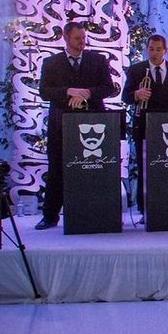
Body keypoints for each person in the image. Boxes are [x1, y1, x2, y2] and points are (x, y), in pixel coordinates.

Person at [35, 21, 118, 229]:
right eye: (77, 39)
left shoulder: (97, 60)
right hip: (61, 124)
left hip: (94, 122)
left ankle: (99, 212)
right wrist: (68, 91)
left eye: (83, 38)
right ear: (66, 38)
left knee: (96, 167)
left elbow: (109, 87)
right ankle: (51, 215)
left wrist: (87, 93)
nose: (82, 42)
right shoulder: (51, 63)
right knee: (57, 168)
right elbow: (45, 91)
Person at [122, 34, 168, 212]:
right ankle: (146, 208)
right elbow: (125, 97)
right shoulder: (137, 70)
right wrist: (136, 95)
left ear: (165, 51)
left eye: (158, 49)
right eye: (151, 49)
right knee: (146, 166)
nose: (154, 53)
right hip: (145, 126)